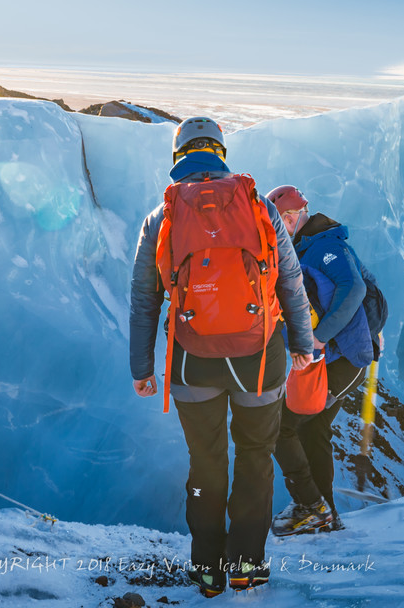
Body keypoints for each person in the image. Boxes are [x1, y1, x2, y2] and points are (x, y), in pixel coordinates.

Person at [129, 118, 314, 597]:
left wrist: (142, 367)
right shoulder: (259, 208)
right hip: (260, 358)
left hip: (193, 360)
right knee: (255, 458)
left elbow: (144, 297)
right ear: (220, 153)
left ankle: (207, 570)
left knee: (205, 464)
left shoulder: (161, 217)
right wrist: (301, 344)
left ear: (180, 156)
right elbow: (289, 279)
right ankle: (247, 566)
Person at [266, 185, 374, 536]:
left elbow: (354, 288)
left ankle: (311, 506)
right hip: (333, 359)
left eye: (280, 222)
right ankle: (324, 514)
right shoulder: (307, 247)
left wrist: (318, 336)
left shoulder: (326, 245)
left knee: (280, 427)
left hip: (344, 358)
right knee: (313, 429)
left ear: (293, 216)